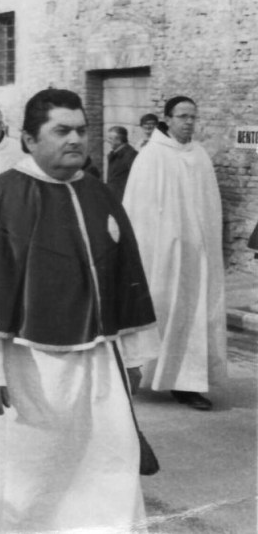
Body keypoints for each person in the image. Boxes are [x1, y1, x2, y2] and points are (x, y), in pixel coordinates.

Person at [0, 88, 159, 534]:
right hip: (20, 372)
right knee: (24, 486)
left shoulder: (100, 195)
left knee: (102, 473)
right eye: (61, 130)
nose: (75, 140)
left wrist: (132, 355)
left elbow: (125, 278)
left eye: (82, 130)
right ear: (29, 139)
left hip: (94, 369)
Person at [122, 95, 227, 411]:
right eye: (182, 116)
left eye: (193, 117)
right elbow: (137, 212)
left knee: (196, 316)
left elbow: (210, 208)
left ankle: (188, 383)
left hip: (198, 256)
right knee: (164, 311)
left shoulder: (200, 156)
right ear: (167, 119)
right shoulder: (151, 157)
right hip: (163, 256)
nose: (189, 122)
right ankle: (147, 372)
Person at [105, 125, 138, 201]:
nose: (107, 141)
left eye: (110, 138)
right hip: (113, 199)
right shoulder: (114, 154)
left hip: (124, 200)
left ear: (119, 140)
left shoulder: (131, 155)